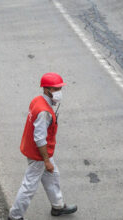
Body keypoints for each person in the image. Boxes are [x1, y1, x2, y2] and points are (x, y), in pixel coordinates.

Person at [8, 72, 77, 220]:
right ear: (47, 90)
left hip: (38, 151)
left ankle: (57, 206)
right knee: (29, 186)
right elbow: (40, 139)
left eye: (60, 88)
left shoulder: (37, 100)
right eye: (56, 89)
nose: (59, 92)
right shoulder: (44, 112)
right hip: (39, 155)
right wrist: (46, 160)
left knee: (53, 175)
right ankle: (15, 216)